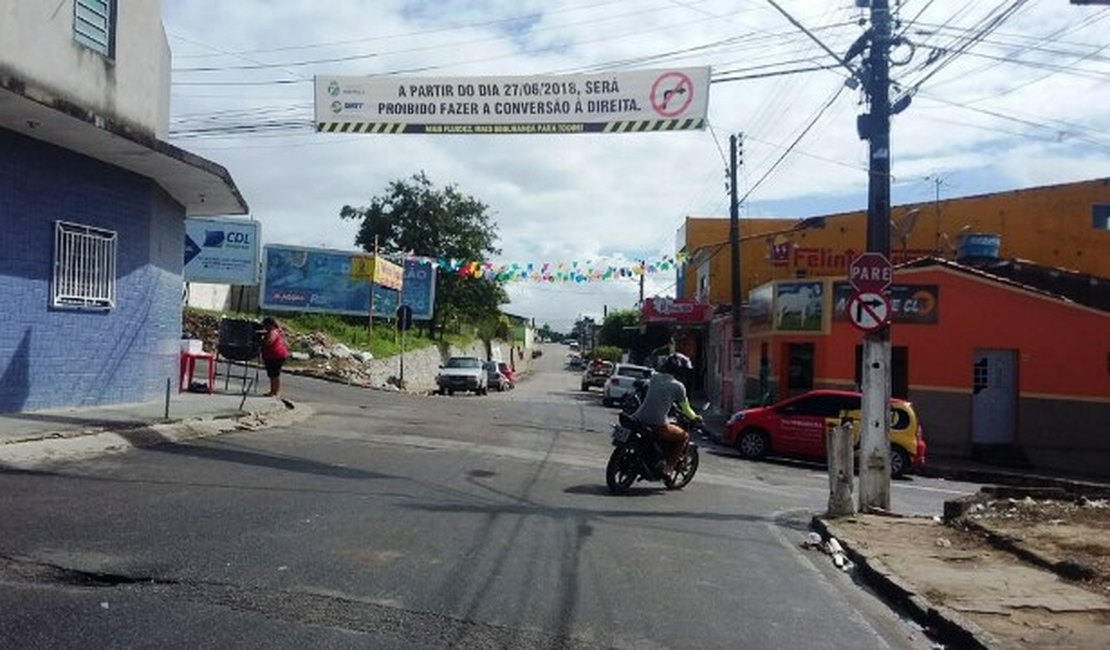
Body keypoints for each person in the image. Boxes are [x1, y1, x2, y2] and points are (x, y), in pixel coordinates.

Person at [632, 353, 701, 476]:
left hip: (638, 418)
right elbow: (686, 409)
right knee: (684, 436)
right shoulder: (678, 387)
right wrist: (695, 417)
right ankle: (668, 468)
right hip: (657, 424)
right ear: (680, 370)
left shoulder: (655, 378)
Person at [259, 317, 289, 397]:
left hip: (276, 356)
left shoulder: (273, 332)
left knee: (275, 375)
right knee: (272, 375)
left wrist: (260, 341)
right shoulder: (270, 331)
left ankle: (275, 391)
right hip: (271, 356)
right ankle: (273, 390)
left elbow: (269, 342)